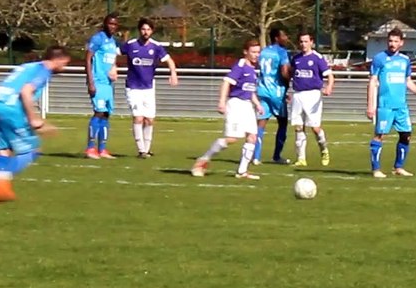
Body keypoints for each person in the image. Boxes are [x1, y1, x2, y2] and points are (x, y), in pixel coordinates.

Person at [0, 46, 71, 205]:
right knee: (32, 150)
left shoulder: (28, 66)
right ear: (59, 59)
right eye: (65, 63)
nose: (64, 67)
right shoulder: (43, 70)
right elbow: (26, 90)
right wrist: (33, 119)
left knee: (4, 152)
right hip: (10, 109)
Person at [191, 39, 266, 180]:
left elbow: (250, 91)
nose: (256, 55)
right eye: (253, 52)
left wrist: (257, 104)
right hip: (236, 104)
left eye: (258, 52)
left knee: (252, 137)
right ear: (246, 52)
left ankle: (242, 171)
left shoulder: (252, 69)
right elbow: (226, 82)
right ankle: (202, 160)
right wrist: (221, 102)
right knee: (232, 139)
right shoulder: (241, 65)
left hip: (247, 106)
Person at [367, 28, 416, 178]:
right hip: (385, 105)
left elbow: (407, 80)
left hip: (401, 106)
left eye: (396, 41)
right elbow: (372, 81)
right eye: (390, 41)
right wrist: (371, 105)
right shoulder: (379, 59)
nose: (392, 44)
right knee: (380, 135)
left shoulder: (405, 60)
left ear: (401, 43)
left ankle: (399, 167)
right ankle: (376, 169)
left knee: (406, 135)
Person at [122, 18, 179, 158]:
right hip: (133, 87)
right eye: (143, 29)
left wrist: (173, 73)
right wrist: (112, 67)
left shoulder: (156, 47)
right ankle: (141, 150)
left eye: (148, 29)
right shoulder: (131, 45)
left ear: (152, 31)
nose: (145, 32)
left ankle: (147, 149)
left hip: (149, 88)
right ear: (139, 30)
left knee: (149, 120)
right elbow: (114, 53)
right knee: (138, 118)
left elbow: (169, 60)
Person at [287, 31, 334, 167]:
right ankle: (301, 158)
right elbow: (291, 76)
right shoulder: (295, 59)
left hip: (313, 95)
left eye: (306, 41)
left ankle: (324, 149)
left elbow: (330, 75)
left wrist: (329, 87)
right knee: (298, 127)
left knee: (314, 128)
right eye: (301, 42)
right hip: (298, 95)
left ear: (311, 42)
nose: (303, 44)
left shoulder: (317, 58)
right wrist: (287, 91)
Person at [84, 13, 121, 159]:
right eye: (110, 23)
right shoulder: (97, 38)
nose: (112, 26)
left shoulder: (113, 41)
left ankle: (102, 149)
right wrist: (90, 81)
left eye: (115, 24)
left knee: (106, 114)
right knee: (98, 112)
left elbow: (111, 60)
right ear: (105, 24)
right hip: (98, 81)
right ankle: (90, 148)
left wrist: (114, 69)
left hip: (108, 83)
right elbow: (88, 59)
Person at [254, 27, 291, 165]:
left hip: (263, 90)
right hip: (277, 92)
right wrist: (288, 83)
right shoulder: (281, 52)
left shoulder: (264, 51)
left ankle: (256, 156)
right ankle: (277, 156)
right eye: (284, 35)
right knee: (282, 123)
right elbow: (284, 72)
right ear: (276, 37)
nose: (286, 38)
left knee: (261, 123)